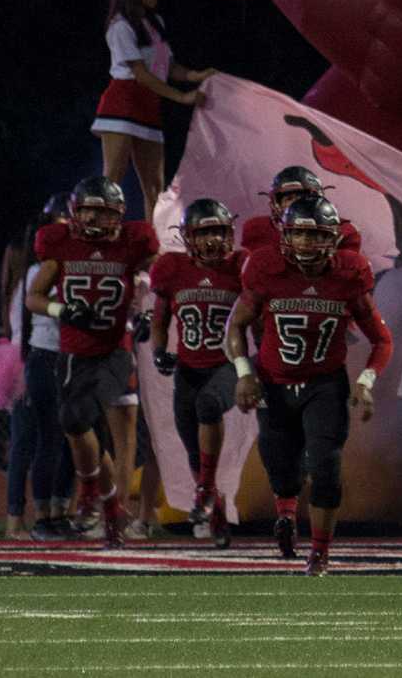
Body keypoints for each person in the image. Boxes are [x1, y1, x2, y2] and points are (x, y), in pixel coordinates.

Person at [232, 194, 392, 576]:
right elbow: (236, 324)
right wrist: (243, 372)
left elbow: (382, 339)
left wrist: (366, 381)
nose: (307, 244)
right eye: (300, 236)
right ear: (285, 236)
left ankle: (319, 553)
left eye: (316, 235)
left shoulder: (349, 274)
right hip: (273, 381)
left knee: (325, 467)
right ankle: (286, 515)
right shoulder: (266, 268)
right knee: (282, 471)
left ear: (333, 239)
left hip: (325, 384)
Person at [26, 175, 159, 545]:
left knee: (112, 425)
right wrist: (62, 309)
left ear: (118, 215)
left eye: (105, 212)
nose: (98, 219)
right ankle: (99, 495)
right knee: (73, 421)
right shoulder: (61, 247)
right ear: (76, 213)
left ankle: (104, 502)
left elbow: (159, 274)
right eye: (90, 211)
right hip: (74, 350)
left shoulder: (133, 245)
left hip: (116, 348)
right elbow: (34, 297)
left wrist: (148, 307)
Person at [148, 198, 244, 547]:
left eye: (219, 231)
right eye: (204, 232)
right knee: (192, 449)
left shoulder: (241, 266)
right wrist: (160, 351)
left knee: (208, 405)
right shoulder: (172, 269)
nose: (213, 240)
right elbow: (159, 320)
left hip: (229, 364)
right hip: (188, 369)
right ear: (188, 236)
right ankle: (215, 508)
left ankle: (203, 490)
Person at [92, 0, 220, 205]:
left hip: (149, 104)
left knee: (154, 186)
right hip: (123, 102)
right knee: (113, 179)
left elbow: (168, 67)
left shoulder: (155, 22)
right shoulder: (120, 26)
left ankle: (153, 242)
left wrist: (196, 76)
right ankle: (101, 235)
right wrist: (183, 97)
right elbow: (140, 74)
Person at [2, 193, 74, 540]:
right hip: (32, 357)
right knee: (27, 442)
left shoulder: (47, 269)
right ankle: (17, 518)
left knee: (52, 440)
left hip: (48, 357)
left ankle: (49, 513)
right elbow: (20, 322)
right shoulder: (36, 271)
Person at [241, 165, 365, 255]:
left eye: (303, 196)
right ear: (276, 204)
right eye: (289, 198)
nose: (297, 203)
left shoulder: (344, 231)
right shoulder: (257, 229)